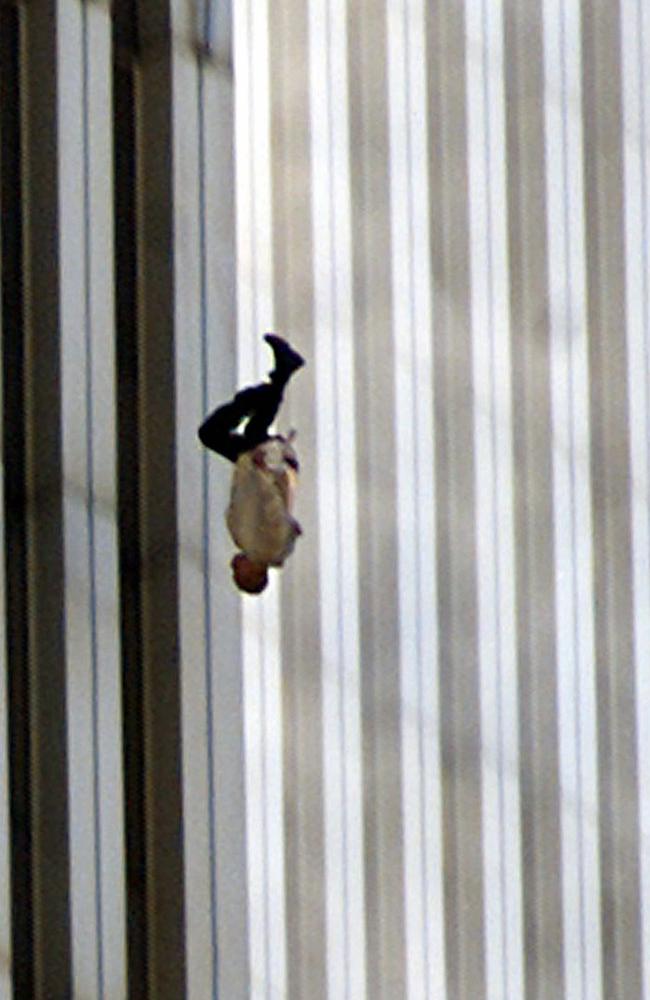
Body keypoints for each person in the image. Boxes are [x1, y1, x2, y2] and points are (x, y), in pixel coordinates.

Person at [198, 334, 305, 594]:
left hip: (259, 467)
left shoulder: (252, 543)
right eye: (239, 574)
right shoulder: (265, 547)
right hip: (265, 468)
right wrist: (262, 472)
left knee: (241, 429)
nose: (234, 566)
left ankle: (276, 380)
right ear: (253, 575)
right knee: (220, 433)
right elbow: (272, 509)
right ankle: (279, 377)